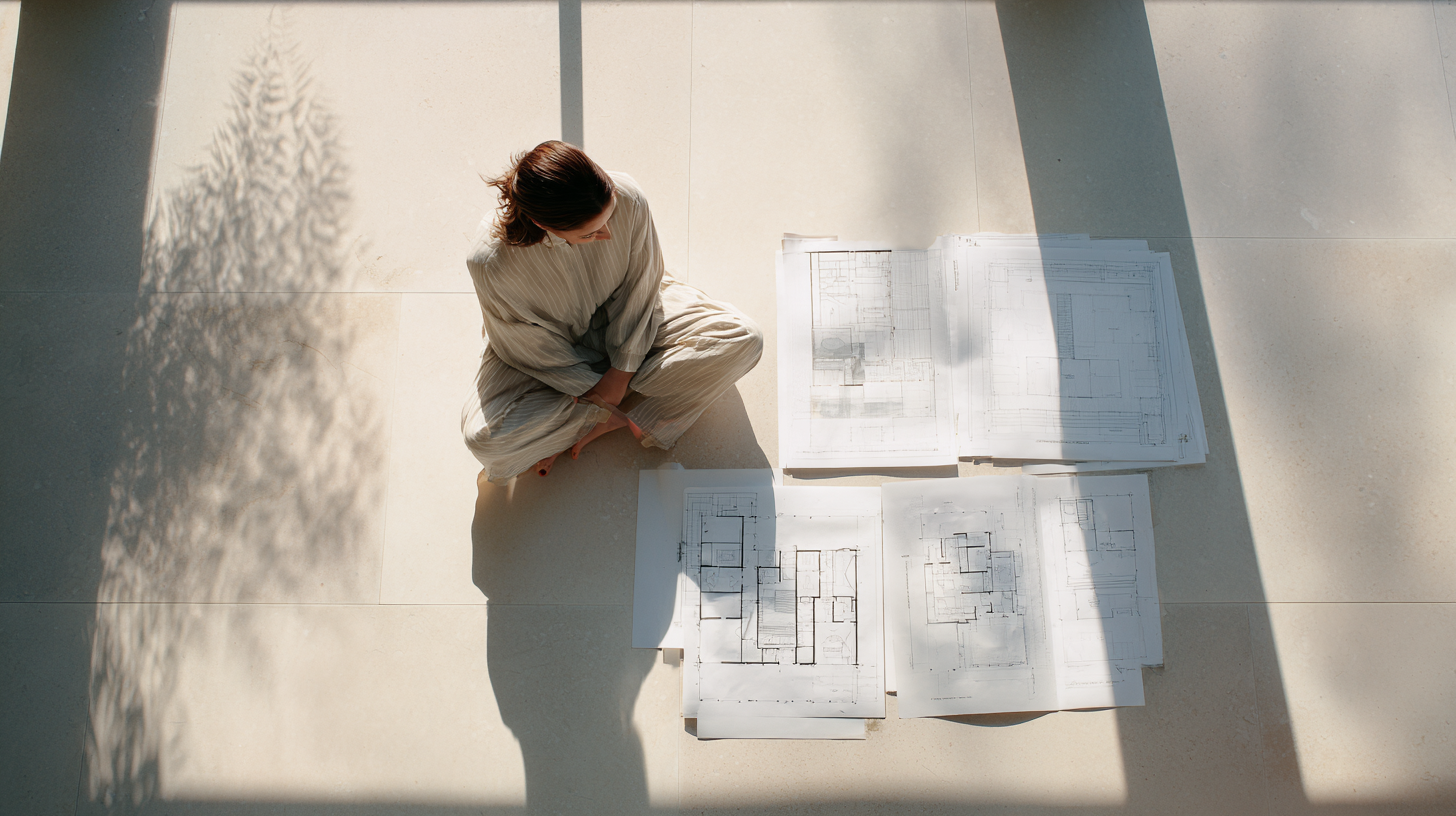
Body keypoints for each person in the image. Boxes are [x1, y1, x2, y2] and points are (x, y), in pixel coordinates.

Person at [461, 141, 763, 481]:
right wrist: (596, 390)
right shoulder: (491, 262)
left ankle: (603, 416)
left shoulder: (628, 195)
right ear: (541, 223)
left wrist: (618, 376)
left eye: (608, 217)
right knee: (486, 441)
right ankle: (616, 410)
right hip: (544, 355)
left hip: (637, 316)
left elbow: (642, 285)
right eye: (589, 233)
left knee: (743, 339)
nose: (607, 233)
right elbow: (528, 348)